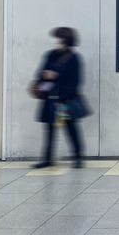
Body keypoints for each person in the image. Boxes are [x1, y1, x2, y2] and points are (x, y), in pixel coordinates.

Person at [32, 27, 87, 169]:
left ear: (66, 39)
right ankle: (47, 158)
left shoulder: (74, 58)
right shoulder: (50, 55)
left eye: (58, 38)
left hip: (64, 101)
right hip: (49, 100)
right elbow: (40, 73)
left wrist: (63, 97)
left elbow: (75, 81)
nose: (56, 41)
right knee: (49, 130)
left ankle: (78, 157)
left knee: (71, 129)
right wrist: (46, 75)